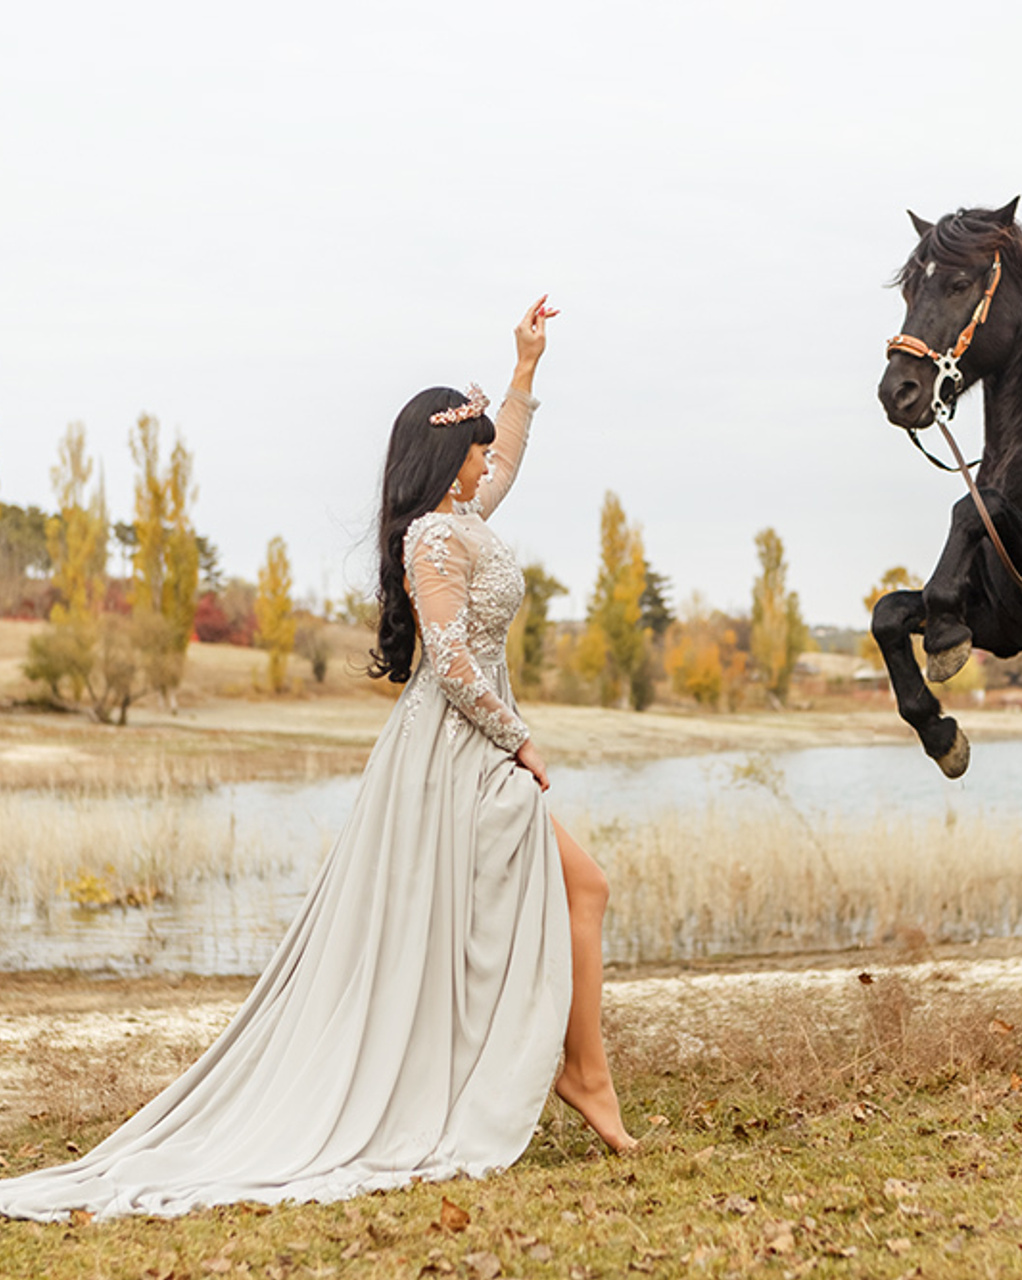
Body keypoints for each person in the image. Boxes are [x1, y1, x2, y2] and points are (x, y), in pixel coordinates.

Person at [0, 297, 635, 1223]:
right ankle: (579, 1073)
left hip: (472, 748)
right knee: (579, 887)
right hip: (456, 753)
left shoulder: (466, 514)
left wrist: (526, 371)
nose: (483, 460)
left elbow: (507, 463)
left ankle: (579, 1070)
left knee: (578, 890)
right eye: (472, 448)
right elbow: (452, 663)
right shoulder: (430, 539)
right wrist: (520, 738)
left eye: (483, 450)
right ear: (441, 457)